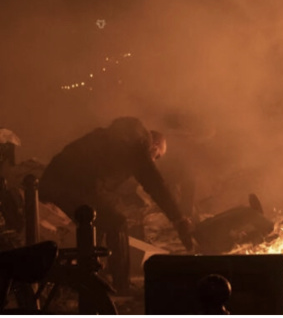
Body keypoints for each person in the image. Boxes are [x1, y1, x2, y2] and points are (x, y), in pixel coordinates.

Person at [38, 117, 194, 293]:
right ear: (154, 147)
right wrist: (179, 219)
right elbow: (156, 184)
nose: (154, 162)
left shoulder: (114, 139)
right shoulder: (137, 149)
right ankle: (121, 284)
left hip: (54, 181)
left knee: (98, 221)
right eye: (157, 157)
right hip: (70, 185)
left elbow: (102, 180)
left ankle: (89, 277)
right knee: (117, 221)